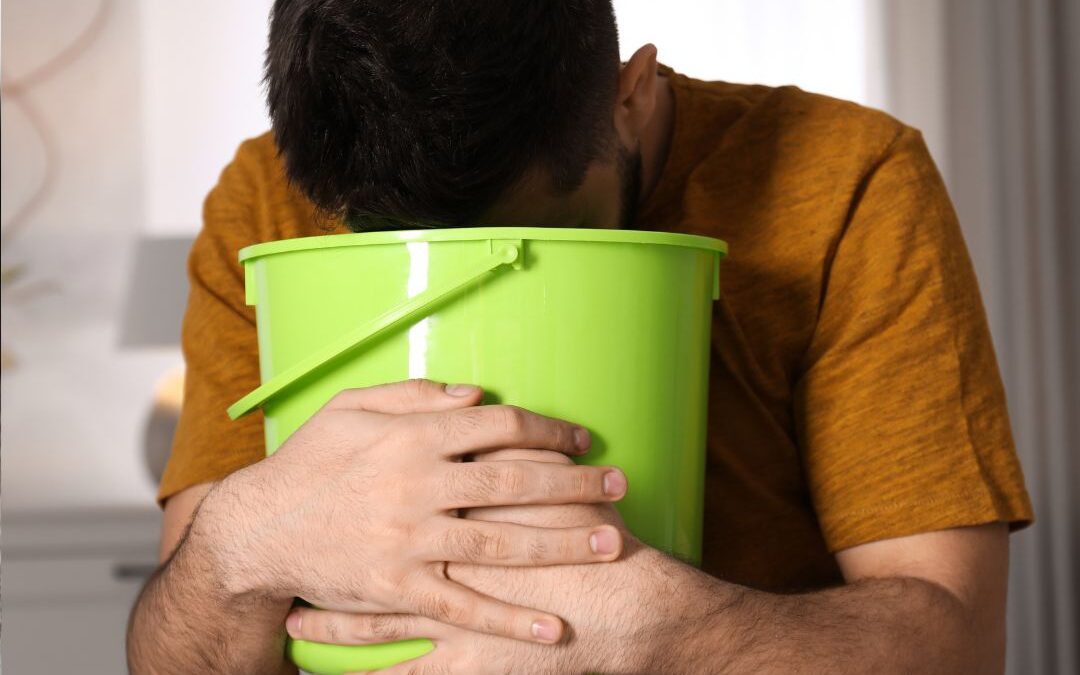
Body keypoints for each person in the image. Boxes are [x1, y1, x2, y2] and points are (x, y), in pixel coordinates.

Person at [127, 1, 1033, 672]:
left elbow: (954, 642)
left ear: (630, 96)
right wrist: (240, 543)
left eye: (555, 229)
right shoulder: (261, 200)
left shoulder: (847, 180)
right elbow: (175, 654)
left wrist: (671, 636)